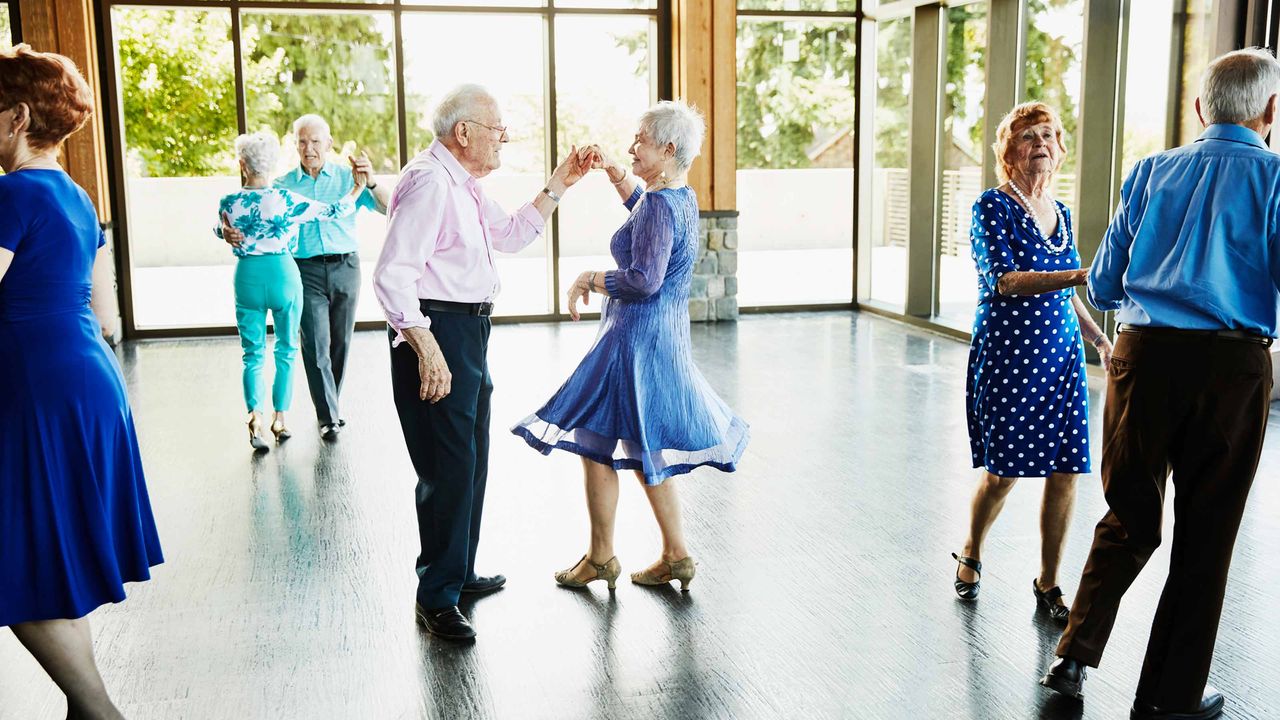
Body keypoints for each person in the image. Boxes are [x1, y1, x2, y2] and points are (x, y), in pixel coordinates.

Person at [1040, 48, 1280, 720]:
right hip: (1232, 370)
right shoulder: (1277, 179)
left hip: (1143, 360)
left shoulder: (1151, 170)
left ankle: (1073, 655)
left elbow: (1107, 281)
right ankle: (1168, 699)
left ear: (1201, 109)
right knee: (1207, 536)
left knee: (1128, 516)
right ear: (1270, 111)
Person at [373, 84, 592, 641]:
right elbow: (393, 274)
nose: (504, 138)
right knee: (447, 468)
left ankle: (459, 571)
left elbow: (513, 234)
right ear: (462, 132)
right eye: (496, 128)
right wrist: (426, 346)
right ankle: (436, 596)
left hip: (468, 330)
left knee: (470, 459)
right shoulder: (428, 182)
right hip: (438, 329)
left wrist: (561, 181)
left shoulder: (462, 185)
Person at [511, 100, 749, 593]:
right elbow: (644, 212)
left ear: (667, 149)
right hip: (660, 336)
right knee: (642, 444)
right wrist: (617, 174)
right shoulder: (677, 195)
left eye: (639, 140)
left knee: (596, 437)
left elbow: (644, 279)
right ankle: (675, 554)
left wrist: (589, 278)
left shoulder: (662, 205)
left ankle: (603, 557)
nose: (631, 145)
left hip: (633, 338)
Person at [0, 44, 163, 719]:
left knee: (15, 567)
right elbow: (101, 313)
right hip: (85, 384)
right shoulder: (73, 193)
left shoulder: (11, 194)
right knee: (49, 555)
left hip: (36, 391)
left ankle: (101, 714)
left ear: (15, 117)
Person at [951, 101, 1110, 624]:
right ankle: (972, 548)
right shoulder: (990, 207)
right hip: (1010, 359)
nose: (1040, 143)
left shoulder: (1060, 213)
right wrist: (1086, 274)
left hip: (1060, 361)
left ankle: (1049, 582)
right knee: (1003, 474)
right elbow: (1005, 281)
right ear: (1007, 152)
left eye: (1049, 135)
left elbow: (1066, 295)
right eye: (1027, 136)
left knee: (1066, 472)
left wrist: (1099, 341)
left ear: (1060, 150)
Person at [223, 114, 390, 441]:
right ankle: (328, 417)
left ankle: (331, 404)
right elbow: (251, 210)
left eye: (316, 141)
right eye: (302, 141)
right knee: (316, 346)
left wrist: (369, 182)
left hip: (346, 267)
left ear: (329, 144)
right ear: (294, 145)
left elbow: (388, 207)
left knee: (339, 344)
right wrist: (227, 231)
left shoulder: (347, 177)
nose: (309, 148)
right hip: (304, 271)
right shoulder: (283, 186)